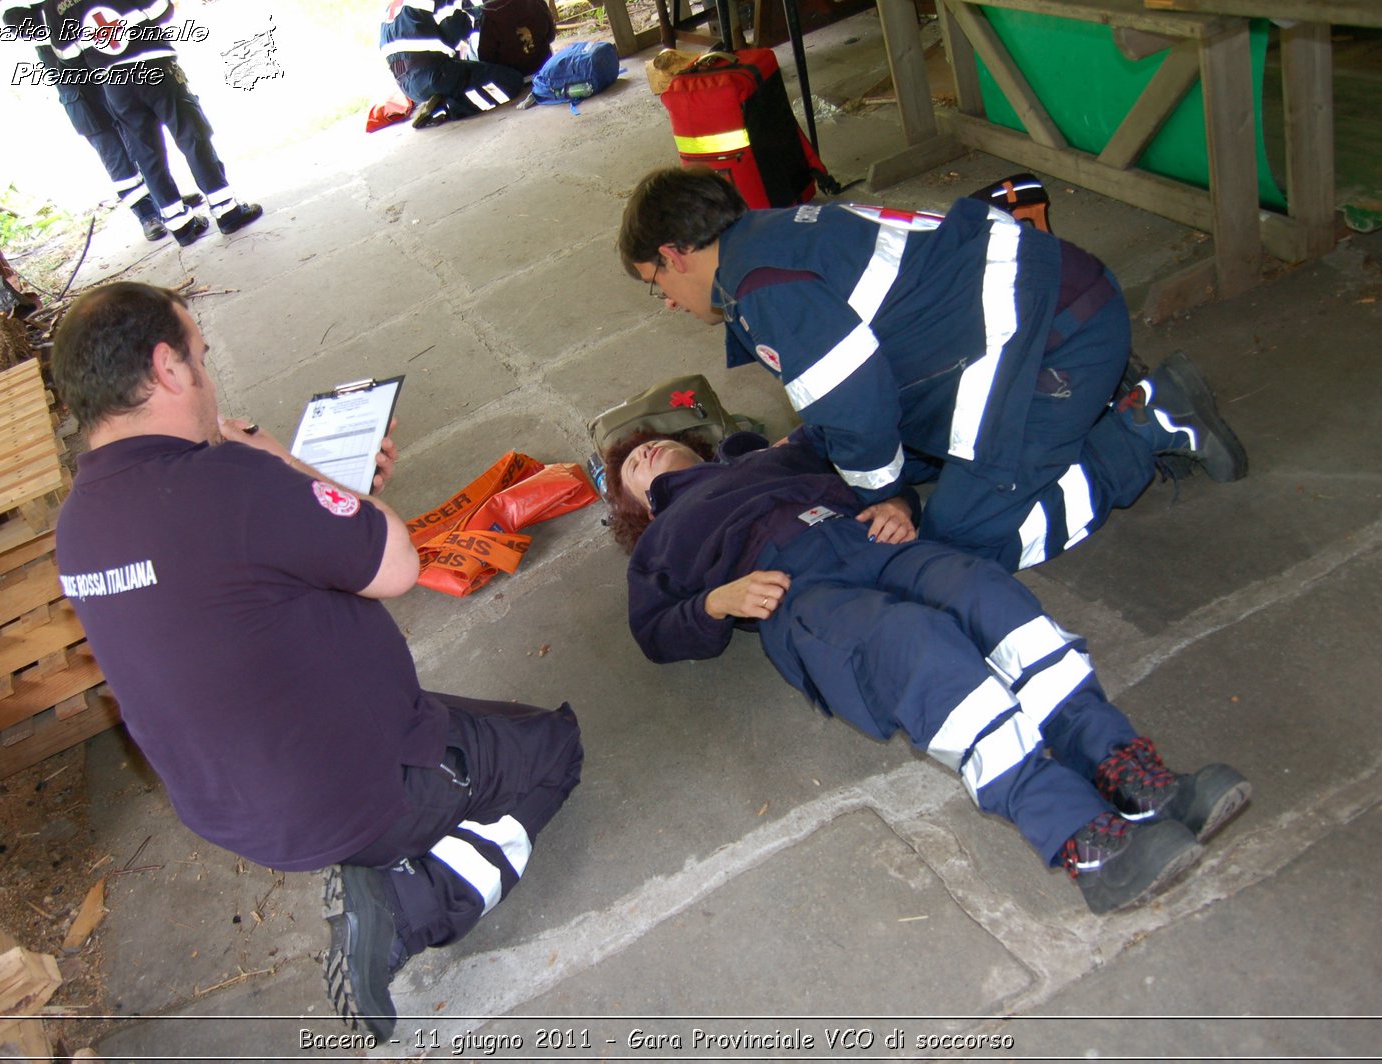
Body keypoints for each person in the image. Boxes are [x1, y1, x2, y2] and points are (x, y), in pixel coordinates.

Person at [50, 283, 582, 1039]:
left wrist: (323, 496)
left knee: (494, 725)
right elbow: (397, 565)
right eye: (201, 356)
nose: (209, 374)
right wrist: (284, 465)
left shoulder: (79, 523)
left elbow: (231, 576)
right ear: (168, 369)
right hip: (355, 791)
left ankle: (386, 860)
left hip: (228, 806)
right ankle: (406, 904)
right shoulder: (232, 480)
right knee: (552, 748)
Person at [603, 427, 1250, 914]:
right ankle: (1087, 843)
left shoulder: (776, 453)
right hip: (799, 592)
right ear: (641, 508)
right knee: (916, 648)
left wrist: (897, 504)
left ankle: (1131, 776)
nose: (644, 454)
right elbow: (653, 629)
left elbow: (872, 460)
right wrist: (716, 601)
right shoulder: (663, 541)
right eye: (632, 467)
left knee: (987, 595)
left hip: (867, 538)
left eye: (650, 443)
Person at [616, 166, 1249, 572]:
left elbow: (856, 406)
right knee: (902, 456)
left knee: (964, 539)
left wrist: (885, 496)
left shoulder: (764, 288)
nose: (668, 301)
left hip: (1058, 340)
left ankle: (1148, 422)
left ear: (675, 254)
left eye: (656, 284)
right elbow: (849, 392)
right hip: (1052, 307)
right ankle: (1088, 409)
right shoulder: (771, 237)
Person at [27, 0, 262, 246]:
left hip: (114, 82)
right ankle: (227, 211)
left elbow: (68, 55)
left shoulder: (53, 5)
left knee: (146, 153)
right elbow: (161, 8)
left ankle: (180, 226)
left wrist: (101, 54)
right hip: (155, 63)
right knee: (191, 135)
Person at [0, 0, 199, 243]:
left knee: (140, 139)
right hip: (75, 77)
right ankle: (147, 215)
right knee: (110, 146)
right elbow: (22, 26)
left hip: (105, 60)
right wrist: (62, 18)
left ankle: (169, 203)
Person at [379, 0, 526, 129]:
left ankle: (437, 102)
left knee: (469, 74)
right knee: (511, 81)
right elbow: (454, 32)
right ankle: (447, 108)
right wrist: (481, 15)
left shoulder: (392, 7)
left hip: (408, 87)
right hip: (436, 74)